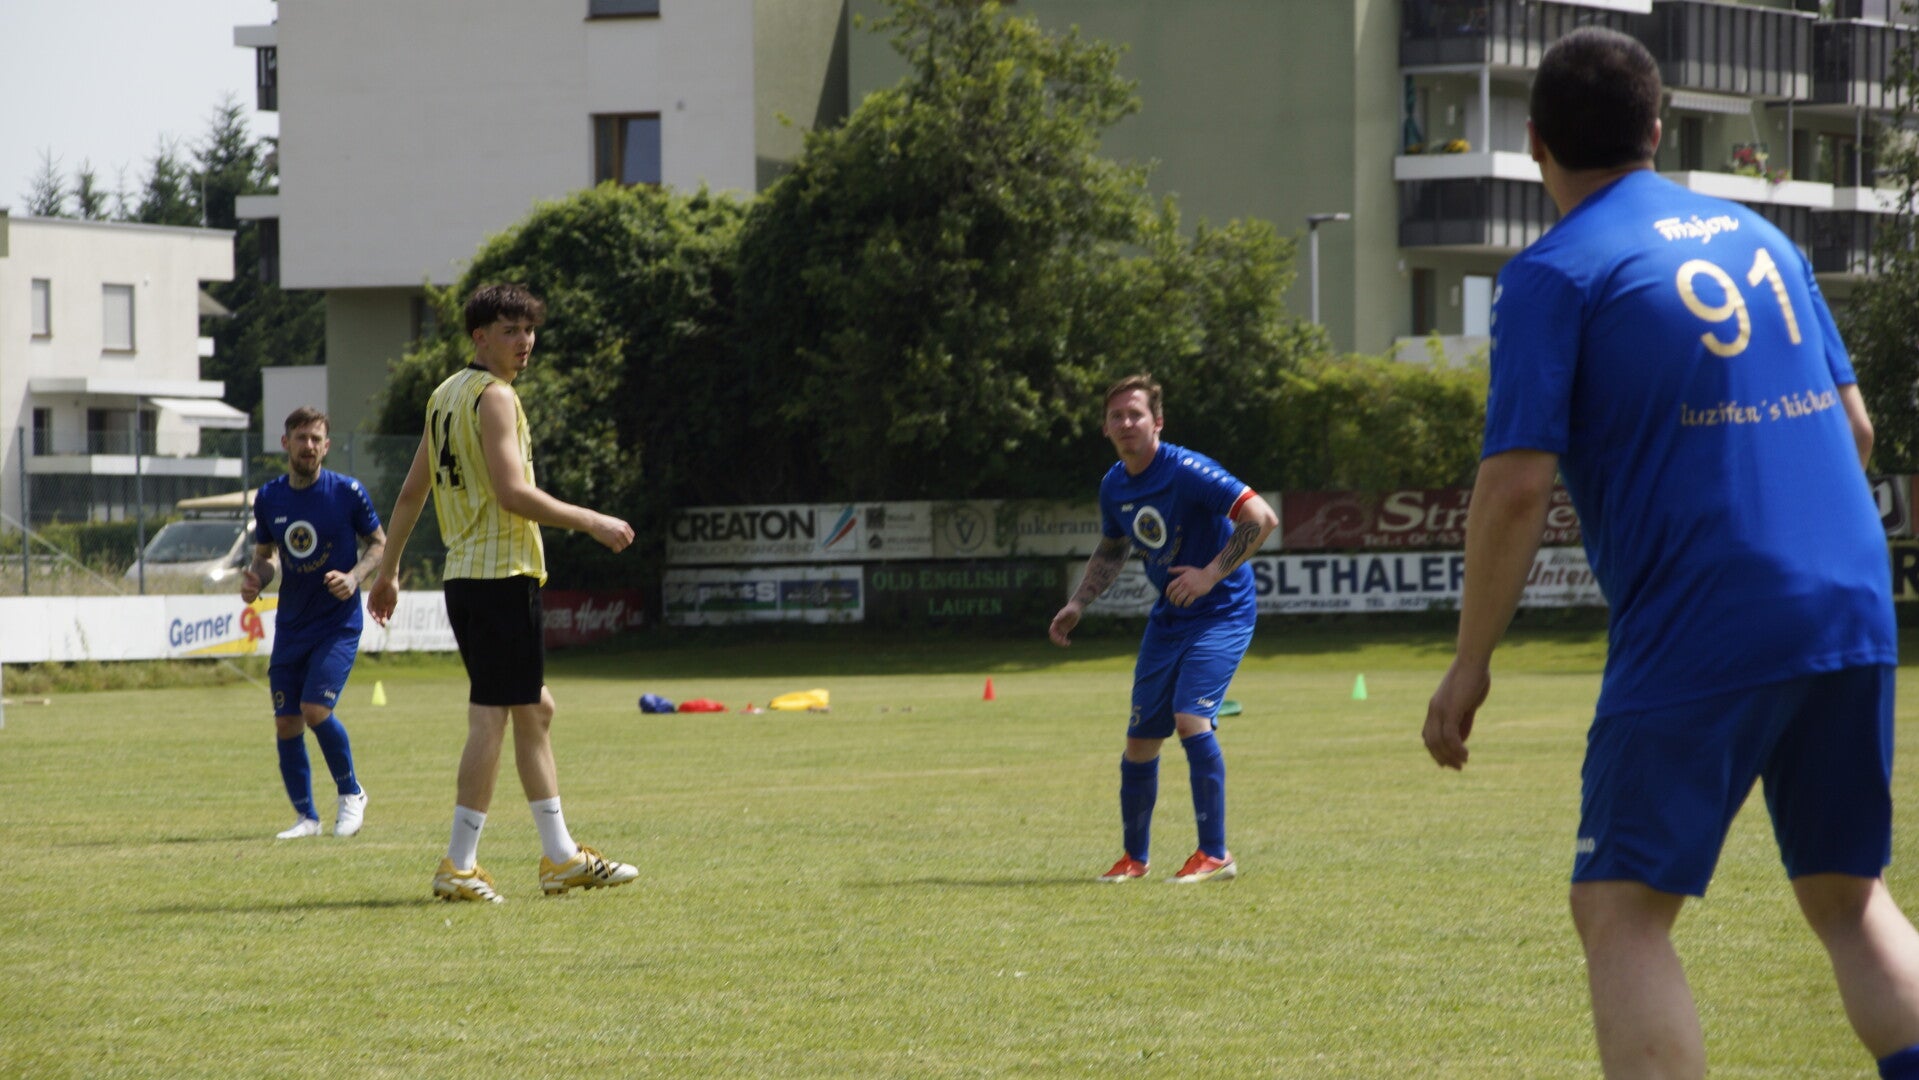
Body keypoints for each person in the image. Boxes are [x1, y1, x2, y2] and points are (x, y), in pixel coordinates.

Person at [1422, 27, 1919, 1079]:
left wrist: (1468, 662)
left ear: (1533, 142)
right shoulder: (1763, 241)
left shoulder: (1554, 273)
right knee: (1848, 895)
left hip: (1706, 609)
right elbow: (1856, 431)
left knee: (1619, 909)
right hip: (1848, 597)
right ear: (1656, 129)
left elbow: (1515, 488)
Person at [368, 283, 639, 904]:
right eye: (510, 331)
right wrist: (593, 521)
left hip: (468, 580)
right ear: (480, 336)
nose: (525, 342)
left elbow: (412, 492)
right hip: (501, 578)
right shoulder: (494, 397)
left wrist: (389, 570)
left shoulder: (444, 396)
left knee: (534, 709)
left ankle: (560, 856)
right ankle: (461, 863)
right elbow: (513, 493)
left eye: (529, 330)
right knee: (492, 716)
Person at [1049, 374, 1278, 885]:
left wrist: (1209, 575)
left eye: (1135, 414)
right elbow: (1113, 548)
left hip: (1222, 611)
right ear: (1105, 428)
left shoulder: (1187, 470)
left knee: (1190, 719)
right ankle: (1134, 859)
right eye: (1116, 416)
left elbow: (1261, 518)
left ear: (1157, 422)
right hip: (1170, 618)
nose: (1126, 423)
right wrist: (1079, 602)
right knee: (1140, 740)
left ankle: (1215, 854)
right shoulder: (1114, 485)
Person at [242, 407, 385, 839]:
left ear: (326, 446)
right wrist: (256, 579)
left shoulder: (347, 492)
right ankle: (307, 818)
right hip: (292, 624)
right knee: (287, 721)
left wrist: (355, 577)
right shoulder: (269, 497)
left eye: (316, 439)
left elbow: (379, 544)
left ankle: (351, 793)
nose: (309, 445)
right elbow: (266, 556)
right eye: (301, 437)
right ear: (285, 443)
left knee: (315, 709)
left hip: (337, 623)